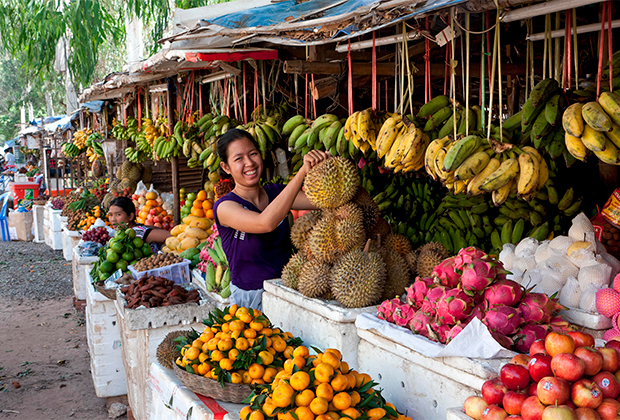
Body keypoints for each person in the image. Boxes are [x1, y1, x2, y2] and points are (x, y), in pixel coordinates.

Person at [213, 128, 328, 310]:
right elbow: (265, 223)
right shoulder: (225, 207)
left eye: (253, 154)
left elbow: (323, 201)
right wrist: (302, 172)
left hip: (285, 290)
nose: (249, 163)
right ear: (226, 168)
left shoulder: (276, 193)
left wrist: (327, 167)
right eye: (239, 159)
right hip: (250, 299)